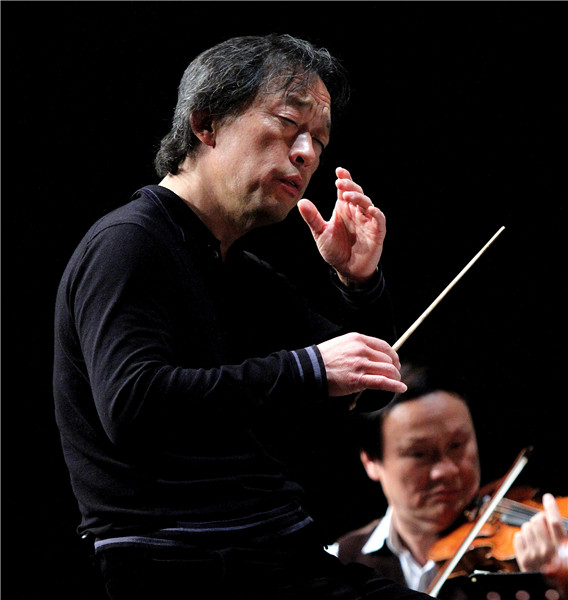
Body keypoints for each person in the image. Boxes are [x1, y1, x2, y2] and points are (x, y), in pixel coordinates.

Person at [53, 34, 433, 600]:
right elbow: (133, 405)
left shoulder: (238, 269)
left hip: (268, 553)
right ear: (206, 124)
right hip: (186, 566)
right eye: (288, 124)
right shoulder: (128, 243)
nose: (307, 154)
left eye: (319, 141)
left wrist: (359, 283)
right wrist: (309, 369)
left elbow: (370, 385)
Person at [332, 363, 567, 595]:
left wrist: (545, 584)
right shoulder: (339, 562)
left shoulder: (509, 554)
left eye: (457, 445)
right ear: (371, 462)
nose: (446, 471)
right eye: (419, 454)